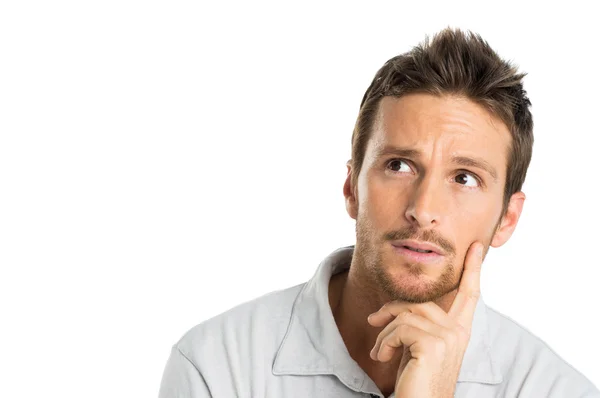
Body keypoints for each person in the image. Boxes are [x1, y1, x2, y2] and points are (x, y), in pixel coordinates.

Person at [158, 28, 600, 398]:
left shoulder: (555, 390)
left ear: (508, 218)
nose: (423, 210)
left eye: (464, 178)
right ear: (352, 187)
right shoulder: (217, 369)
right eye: (399, 166)